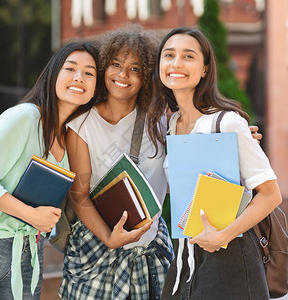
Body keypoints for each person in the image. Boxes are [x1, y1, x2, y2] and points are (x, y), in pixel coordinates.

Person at [0, 41, 99, 300]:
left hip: (29, 251)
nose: (79, 78)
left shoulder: (74, 136)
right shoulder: (25, 117)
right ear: (53, 75)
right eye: (70, 69)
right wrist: (31, 215)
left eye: (89, 73)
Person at [147, 27, 282, 299]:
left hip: (230, 256)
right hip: (185, 256)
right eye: (169, 55)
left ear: (205, 68)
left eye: (188, 56)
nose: (176, 64)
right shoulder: (171, 125)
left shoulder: (227, 122)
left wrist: (223, 236)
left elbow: (270, 194)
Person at [60, 24, 174, 300]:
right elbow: (80, 195)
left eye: (135, 69)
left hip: (151, 253)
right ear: (103, 69)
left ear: (146, 76)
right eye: (116, 64)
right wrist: (110, 238)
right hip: (96, 251)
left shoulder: (163, 122)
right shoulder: (81, 126)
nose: (123, 75)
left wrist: (243, 135)